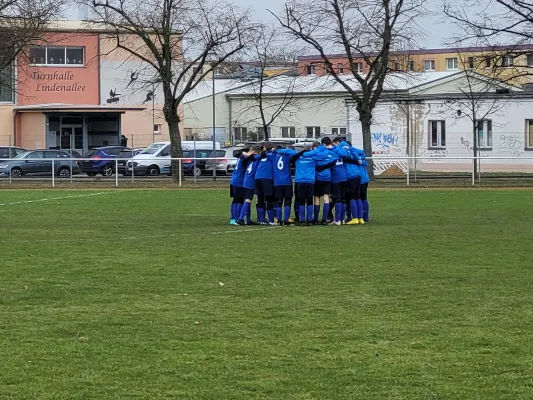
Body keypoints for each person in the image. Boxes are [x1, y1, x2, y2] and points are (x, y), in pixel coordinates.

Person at [292, 143, 331, 225]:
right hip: (310, 181)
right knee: (310, 201)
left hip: (300, 181)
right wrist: (321, 148)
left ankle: (302, 220)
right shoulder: (313, 158)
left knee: (302, 201)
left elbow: (292, 158)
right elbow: (323, 157)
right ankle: (310, 220)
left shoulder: (297, 158)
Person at [312, 139, 337, 225]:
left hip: (318, 178)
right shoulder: (330, 153)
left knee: (317, 198)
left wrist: (320, 168)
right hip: (327, 178)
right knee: (326, 198)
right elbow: (334, 161)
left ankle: (315, 219)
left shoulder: (316, 154)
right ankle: (324, 219)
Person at [236, 145, 261, 226]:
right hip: (250, 181)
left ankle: (248, 219)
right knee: (248, 200)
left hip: (246, 180)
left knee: (247, 200)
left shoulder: (249, 158)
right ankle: (240, 219)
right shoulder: (256, 158)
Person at [341, 140, 364, 225]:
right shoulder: (352, 151)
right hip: (358, 174)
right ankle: (361, 218)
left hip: (351, 176)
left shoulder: (343, 153)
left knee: (352, 197)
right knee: (358, 196)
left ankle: (354, 218)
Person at [272, 144, 296, 225]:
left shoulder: (273, 156)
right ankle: (286, 220)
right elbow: (293, 152)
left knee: (279, 201)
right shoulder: (287, 156)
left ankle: (278, 220)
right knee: (288, 201)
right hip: (287, 182)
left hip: (277, 182)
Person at [330, 137, 350, 225]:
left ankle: (337, 220)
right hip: (344, 177)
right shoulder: (343, 151)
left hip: (336, 178)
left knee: (337, 198)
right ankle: (342, 219)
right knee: (343, 199)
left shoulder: (332, 152)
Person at [255, 142, 276, 225]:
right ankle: (271, 220)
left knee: (260, 199)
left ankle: (262, 220)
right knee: (269, 199)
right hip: (267, 178)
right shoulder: (272, 155)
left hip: (257, 178)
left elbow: (258, 156)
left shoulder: (260, 156)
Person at [229, 148, 248, 225]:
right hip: (239, 181)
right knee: (239, 200)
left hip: (233, 180)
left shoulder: (240, 157)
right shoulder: (244, 159)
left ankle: (233, 218)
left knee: (235, 200)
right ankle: (237, 219)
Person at [353, 146, 370, 222]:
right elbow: (365, 163)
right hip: (365, 178)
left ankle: (358, 216)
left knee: (357, 198)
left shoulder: (351, 154)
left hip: (357, 179)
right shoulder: (360, 153)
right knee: (364, 198)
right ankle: (365, 217)